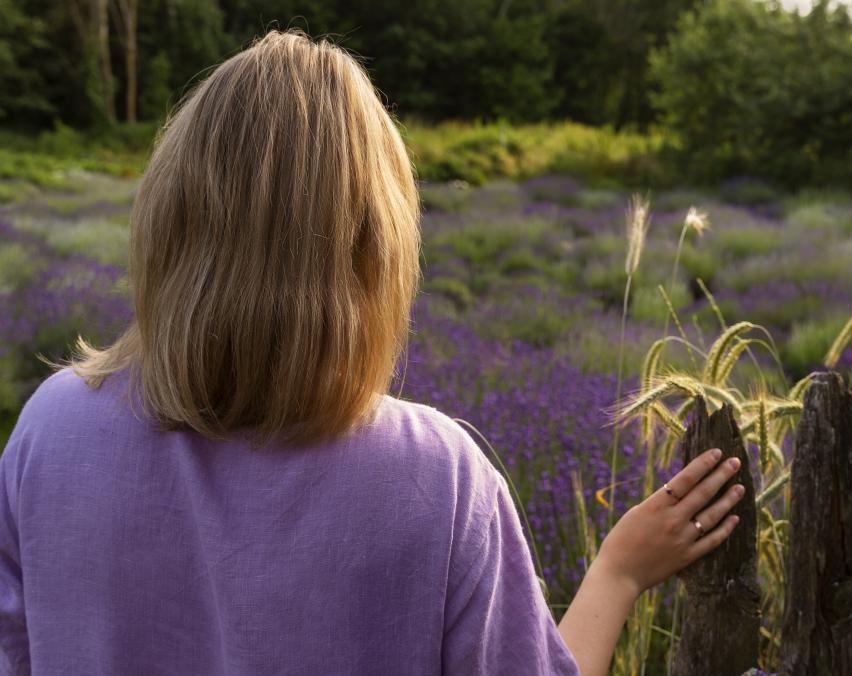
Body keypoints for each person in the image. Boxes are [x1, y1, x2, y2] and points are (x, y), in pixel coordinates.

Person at [0, 29, 744, 675]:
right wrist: (615, 572)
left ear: (169, 221)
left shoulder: (51, 431)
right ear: (372, 251)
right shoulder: (440, 481)